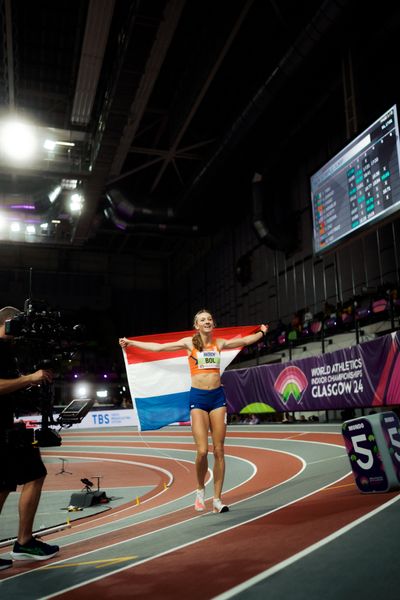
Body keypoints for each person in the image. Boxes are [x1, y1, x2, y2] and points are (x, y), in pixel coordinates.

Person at [119, 309, 268, 514]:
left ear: (212, 324)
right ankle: (200, 489)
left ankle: (217, 499)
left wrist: (262, 332)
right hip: (198, 398)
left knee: (219, 450)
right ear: (196, 326)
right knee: (201, 451)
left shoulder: (221, 343)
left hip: (218, 398)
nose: (207, 321)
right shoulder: (189, 343)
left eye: (209, 319)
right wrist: (132, 343)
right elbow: (159, 348)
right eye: (202, 320)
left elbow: (246, 340)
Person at [0, 306, 60, 570]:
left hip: (6, 426)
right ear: (8, 322)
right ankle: (23, 542)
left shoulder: (9, 350)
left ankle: (24, 542)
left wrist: (32, 382)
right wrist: (28, 379)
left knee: (23, 477)